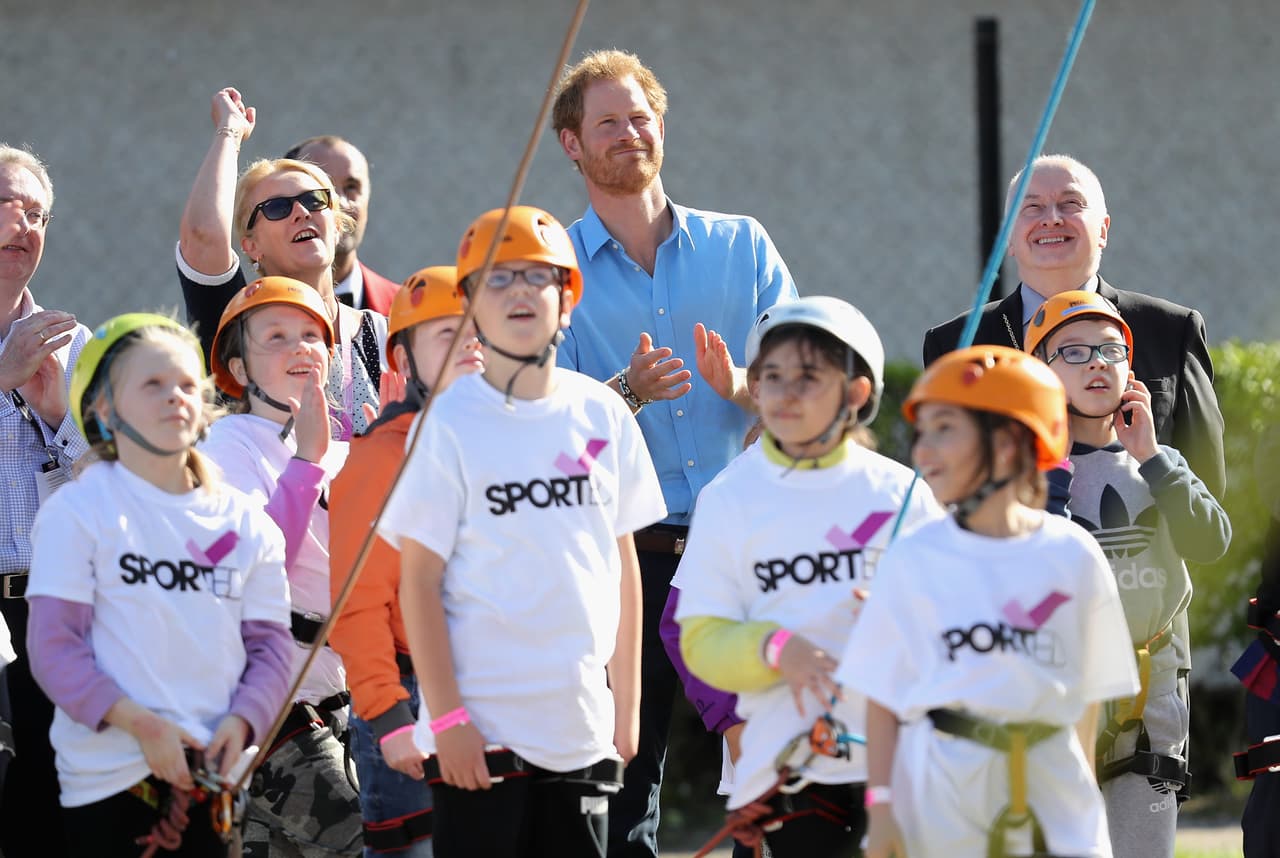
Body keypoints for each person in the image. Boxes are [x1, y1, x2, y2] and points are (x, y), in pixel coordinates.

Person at [551, 49, 798, 857]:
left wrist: (742, 392)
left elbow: (805, 396)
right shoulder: (551, 277)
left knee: (783, 774)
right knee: (623, 786)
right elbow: (542, 434)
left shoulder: (744, 246)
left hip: (748, 558)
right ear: (571, 145)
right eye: (607, 122)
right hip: (631, 560)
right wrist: (623, 395)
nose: (629, 133)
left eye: (641, 116)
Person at [378, 206, 666, 858]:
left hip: (581, 728)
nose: (518, 292)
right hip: (479, 734)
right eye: (498, 279)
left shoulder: (602, 413)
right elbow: (418, 583)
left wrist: (627, 710)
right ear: (473, 307)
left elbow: (623, 568)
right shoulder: (447, 422)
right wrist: (447, 719)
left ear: (567, 301)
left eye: (538, 276)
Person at [839, 345, 1139, 858]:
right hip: (942, 799)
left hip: (1053, 792)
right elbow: (881, 699)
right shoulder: (913, 557)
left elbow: (1090, 702)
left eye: (945, 430)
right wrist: (883, 809)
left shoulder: (1073, 554)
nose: (922, 452)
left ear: (1006, 444)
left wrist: (1079, 803)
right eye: (922, 432)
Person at [674, 297, 941, 856]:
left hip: (899, 766)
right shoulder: (729, 498)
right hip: (785, 771)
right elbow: (696, 638)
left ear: (857, 393)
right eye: (771, 377)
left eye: (808, 377)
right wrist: (775, 649)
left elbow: (955, 624)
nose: (786, 391)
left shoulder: (904, 495)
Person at [26, 313, 294, 856]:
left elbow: (271, 651)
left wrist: (244, 722)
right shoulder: (78, 512)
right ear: (103, 409)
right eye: (152, 384)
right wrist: (143, 727)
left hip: (210, 788)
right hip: (109, 788)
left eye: (188, 385)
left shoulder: (247, 524)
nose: (176, 397)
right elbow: (54, 648)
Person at [1024, 290, 1230, 857]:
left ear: (1131, 371)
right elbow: (1034, 567)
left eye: (1111, 349)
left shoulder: (1158, 463)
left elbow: (1210, 542)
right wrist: (1054, 466)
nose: (1096, 361)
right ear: (1039, 374)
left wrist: (1154, 457)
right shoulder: (1030, 477)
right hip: (1064, 696)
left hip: (1152, 706)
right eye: (1072, 352)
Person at [922, 154, 1226, 501]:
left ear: (1104, 231)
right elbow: (943, 485)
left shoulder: (1170, 329)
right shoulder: (958, 343)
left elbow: (1208, 484)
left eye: (1070, 203)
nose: (1051, 219)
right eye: (1031, 207)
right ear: (1008, 238)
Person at [201, 277, 363, 856]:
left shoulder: (348, 445)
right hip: (278, 704)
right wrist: (307, 463)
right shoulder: (227, 446)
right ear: (240, 370)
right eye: (276, 337)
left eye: (311, 336)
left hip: (350, 695)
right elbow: (247, 566)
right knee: (362, 836)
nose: (300, 348)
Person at [329, 265, 483, 857]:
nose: (469, 347)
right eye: (446, 335)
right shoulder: (377, 462)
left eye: (476, 334)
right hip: (409, 698)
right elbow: (358, 604)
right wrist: (387, 714)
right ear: (402, 362)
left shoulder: (510, 448)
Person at [178, 87, 387, 439]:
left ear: (336, 226)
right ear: (251, 246)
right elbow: (202, 235)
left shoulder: (381, 333)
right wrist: (229, 132)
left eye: (315, 201)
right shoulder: (239, 321)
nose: (301, 212)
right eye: (276, 207)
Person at [0, 143, 91, 857]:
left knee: (57, 818)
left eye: (36, 212)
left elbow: (114, 493)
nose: (21, 224)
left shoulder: (76, 342)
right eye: (5, 205)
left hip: (59, 611)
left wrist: (60, 416)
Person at [283, 135, 399, 313]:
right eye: (321, 188)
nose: (341, 203)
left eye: (351, 187)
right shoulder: (245, 318)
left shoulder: (407, 313)